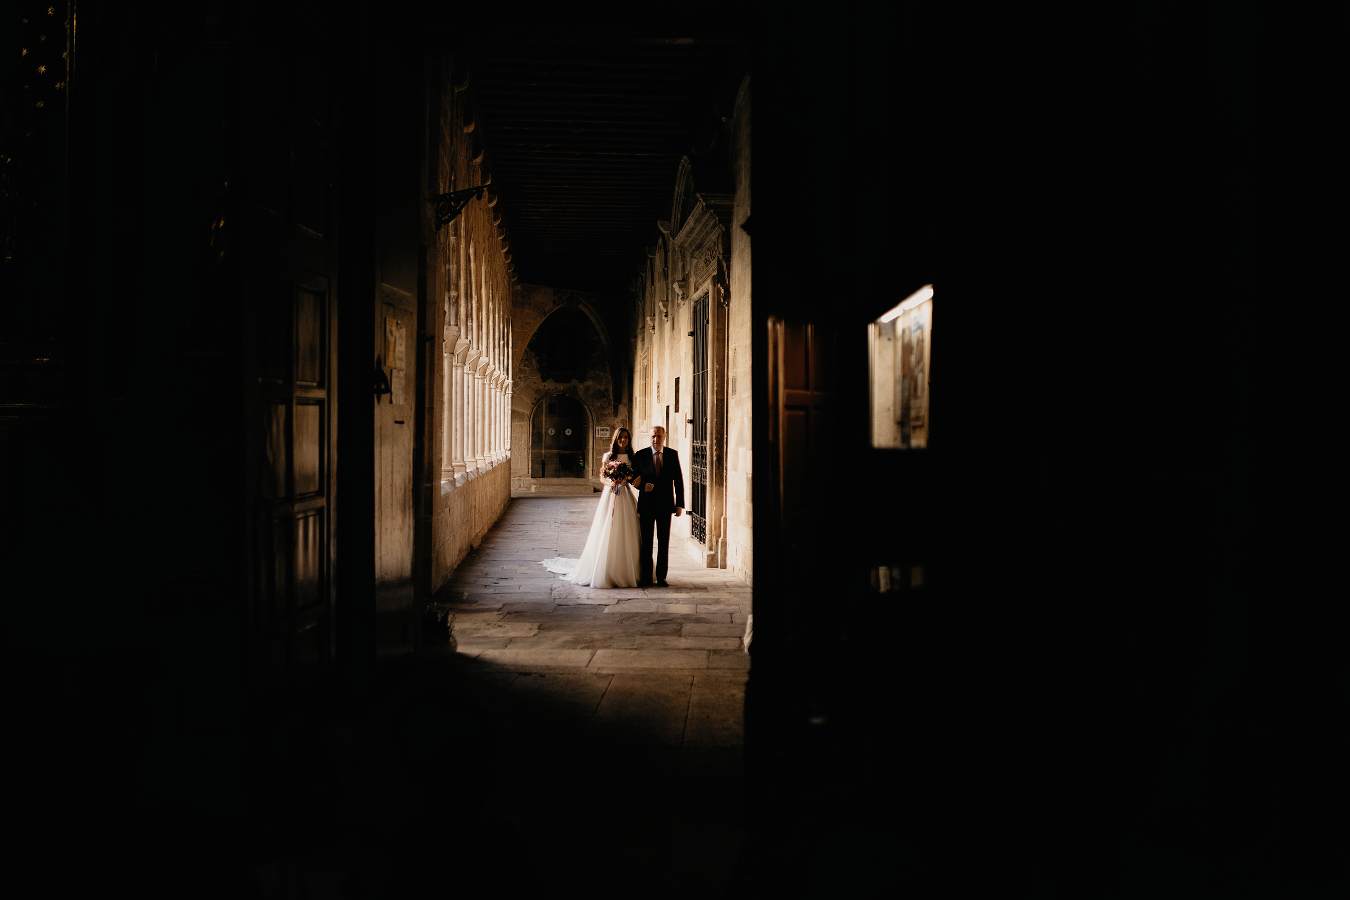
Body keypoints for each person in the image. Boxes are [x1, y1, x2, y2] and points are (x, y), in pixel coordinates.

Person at [540, 427, 641, 588]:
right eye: (620, 437)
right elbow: (602, 477)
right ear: (615, 439)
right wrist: (611, 482)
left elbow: (634, 477)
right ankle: (606, 568)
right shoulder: (609, 456)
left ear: (629, 440)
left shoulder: (632, 457)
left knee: (627, 529)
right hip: (610, 495)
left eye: (626, 438)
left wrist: (627, 479)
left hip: (625, 496)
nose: (623, 440)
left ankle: (628, 570)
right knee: (607, 528)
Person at [631, 424, 684, 587]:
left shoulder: (672, 455)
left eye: (659, 436)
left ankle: (661, 577)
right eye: (653, 436)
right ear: (650, 437)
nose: (656, 439)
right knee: (646, 543)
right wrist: (642, 485)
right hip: (646, 505)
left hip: (665, 505)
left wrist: (680, 504)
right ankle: (647, 577)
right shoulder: (640, 455)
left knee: (663, 542)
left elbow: (679, 481)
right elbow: (634, 479)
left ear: (664, 437)